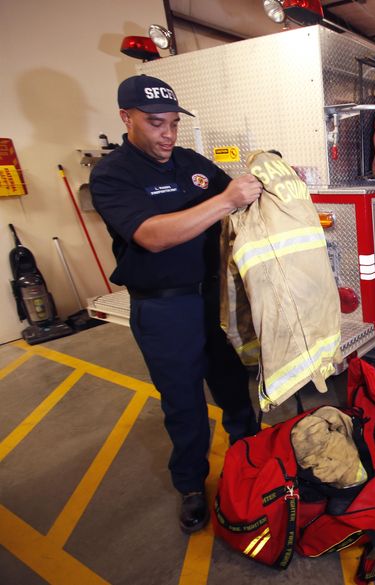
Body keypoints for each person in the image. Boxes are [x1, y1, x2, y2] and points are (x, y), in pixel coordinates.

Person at [90, 74, 263, 533]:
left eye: (172, 123)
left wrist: (262, 180)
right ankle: (191, 485)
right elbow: (151, 236)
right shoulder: (112, 175)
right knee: (184, 403)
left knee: (233, 388)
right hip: (165, 309)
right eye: (154, 123)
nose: (167, 134)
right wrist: (226, 200)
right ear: (126, 118)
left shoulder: (189, 162)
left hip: (213, 299)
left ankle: (249, 460)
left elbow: (239, 199)